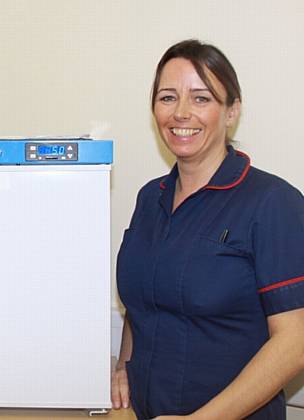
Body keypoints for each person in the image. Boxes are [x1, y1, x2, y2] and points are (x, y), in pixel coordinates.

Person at [112, 39, 304, 419]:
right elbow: (143, 302)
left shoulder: (272, 202)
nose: (181, 113)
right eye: (168, 97)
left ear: (232, 111)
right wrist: (123, 367)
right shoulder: (150, 198)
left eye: (201, 98)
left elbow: (295, 340)